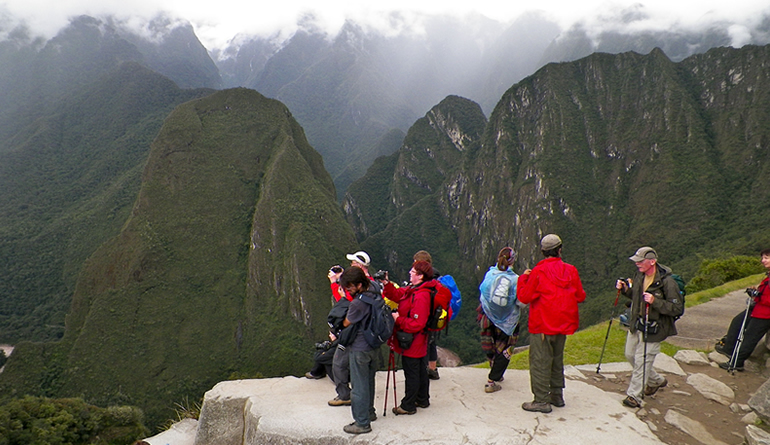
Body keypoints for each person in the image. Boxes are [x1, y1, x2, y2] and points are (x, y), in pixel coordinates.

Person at [517, 234, 586, 413]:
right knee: (556, 359)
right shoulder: (571, 270)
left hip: (542, 325)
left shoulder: (538, 272)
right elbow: (580, 296)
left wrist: (523, 279)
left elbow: (524, 297)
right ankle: (557, 396)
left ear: (542, 252)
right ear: (560, 250)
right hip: (563, 324)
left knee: (540, 361)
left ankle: (541, 401)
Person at [616, 246, 683, 408]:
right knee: (630, 355)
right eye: (636, 261)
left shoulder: (668, 283)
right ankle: (656, 381)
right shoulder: (640, 276)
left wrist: (655, 302)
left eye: (640, 261)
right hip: (638, 323)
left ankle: (634, 396)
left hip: (655, 327)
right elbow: (637, 297)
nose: (637, 264)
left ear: (652, 262)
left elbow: (676, 308)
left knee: (641, 360)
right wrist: (625, 289)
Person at [382, 260, 433, 415]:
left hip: (414, 341)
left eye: (413, 271)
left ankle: (408, 405)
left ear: (421, 276)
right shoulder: (413, 289)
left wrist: (398, 319)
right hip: (417, 340)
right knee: (420, 371)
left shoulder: (421, 295)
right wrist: (387, 283)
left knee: (412, 373)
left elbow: (418, 323)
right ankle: (422, 399)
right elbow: (398, 295)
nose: (410, 272)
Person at [326, 251, 376, 406]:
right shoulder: (373, 283)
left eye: (353, 264)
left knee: (339, 364)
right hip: (369, 334)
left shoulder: (359, 291)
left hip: (354, 333)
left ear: (360, 266)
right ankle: (365, 405)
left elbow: (346, 304)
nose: (351, 266)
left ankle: (346, 395)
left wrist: (335, 284)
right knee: (362, 371)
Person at [338, 267, 380, 435]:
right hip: (374, 345)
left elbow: (347, 322)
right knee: (369, 380)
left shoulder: (358, 303)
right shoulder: (375, 290)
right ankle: (369, 412)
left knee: (358, 386)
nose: (348, 289)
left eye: (350, 286)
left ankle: (362, 423)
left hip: (360, 348)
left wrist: (343, 301)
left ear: (359, 284)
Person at [715, 248, 770, 372]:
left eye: (766, 258)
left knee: (750, 338)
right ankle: (730, 351)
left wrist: (757, 296)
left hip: (764, 314)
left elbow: (766, 298)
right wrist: (756, 294)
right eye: (762, 258)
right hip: (758, 310)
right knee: (738, 323)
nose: (763, 261)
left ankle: (736, 363)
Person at [477, 246, 522, 393]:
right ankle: (492, 381)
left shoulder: (490, 274)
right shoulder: (516, 280)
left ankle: (493, 368)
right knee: (504, 349)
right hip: (508, 321)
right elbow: (521, 302)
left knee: (491, 345)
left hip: (488, 316)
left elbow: (483, 294)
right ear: (513, 261)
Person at [413, 250, 441, 380]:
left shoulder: (426, 278)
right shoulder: (436, 277)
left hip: (426, 314)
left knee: (424, 342)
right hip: (435, 315)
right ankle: (433, 369)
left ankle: (424, 369)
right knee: (432, 342)